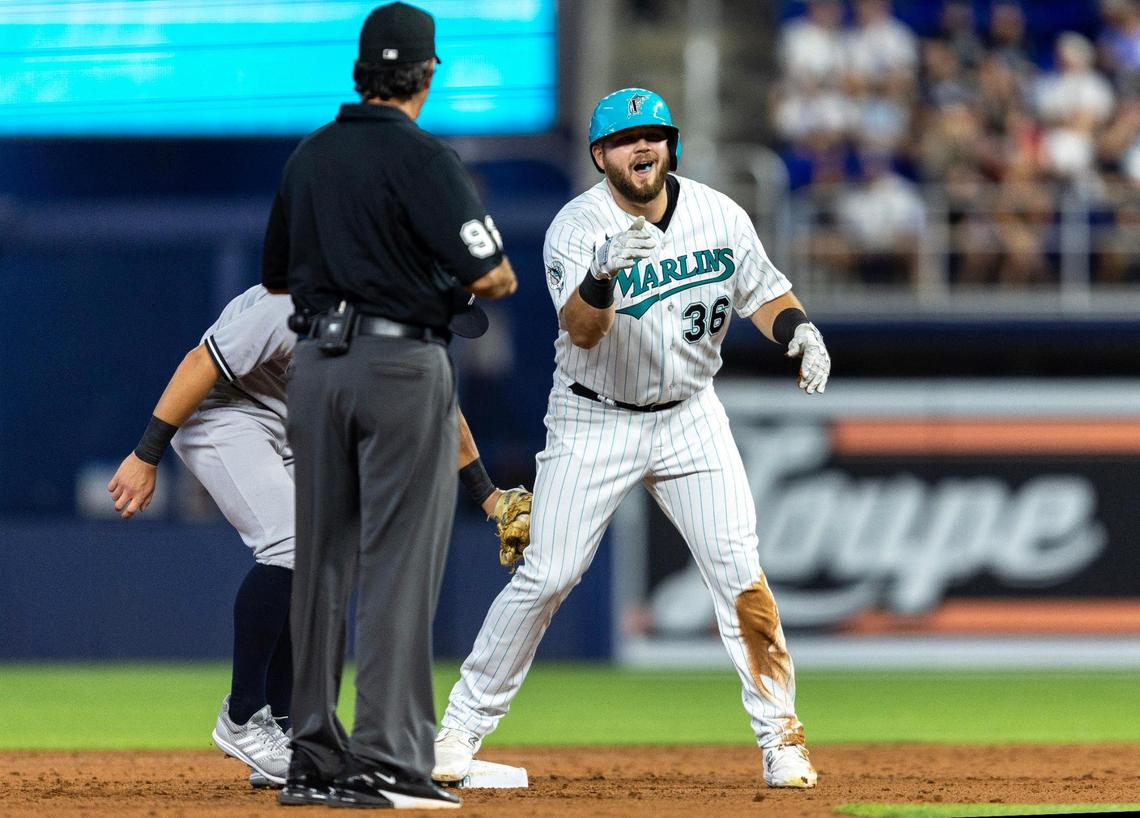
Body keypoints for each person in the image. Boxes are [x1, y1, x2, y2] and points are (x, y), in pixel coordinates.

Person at [432, 88, 830, 790]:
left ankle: (782, 738)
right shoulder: (576, 225)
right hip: (596, 415)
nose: (643, 147)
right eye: (625, 139)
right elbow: (583, 331)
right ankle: (458, 730)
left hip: (690, 414)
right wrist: (602, 272)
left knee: (740, 572)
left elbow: (764, 292)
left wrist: (798, 329)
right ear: (599, 156)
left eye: (655, 134)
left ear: (670, 144)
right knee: (548, 573)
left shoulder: (716, 213)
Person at [260, 1, 516, 810]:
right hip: (400, 362)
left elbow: (274, 274)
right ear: (427, 74)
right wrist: (423, 280)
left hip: (314, 365)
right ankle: (386, 762)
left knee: (321, 566)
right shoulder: (425, 158)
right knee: (399, 565)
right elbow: (494, 277)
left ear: (362, 71)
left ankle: (312, 759)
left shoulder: (310, 156)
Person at [105, 283, 512, 792]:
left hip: (292, 417)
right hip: (222, 408)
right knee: (289, 545)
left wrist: (491, 498)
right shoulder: (307, 299)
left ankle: (284, 733)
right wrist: (146, 456)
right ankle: (242, 716)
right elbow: (200, 362)